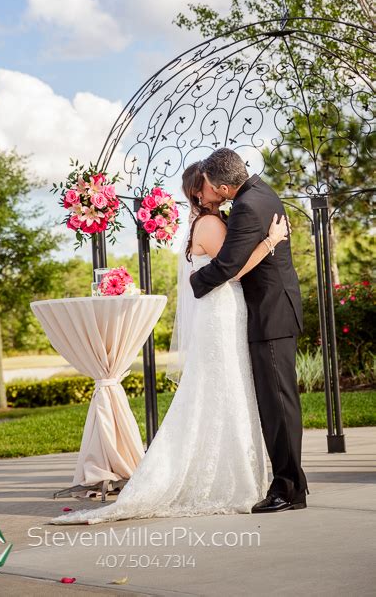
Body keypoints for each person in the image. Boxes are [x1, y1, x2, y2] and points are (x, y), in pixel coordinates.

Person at [49, 160, 290, 526]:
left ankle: (251, 477)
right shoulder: (210, 223)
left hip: (229, 312)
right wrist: (271, 241)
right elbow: (234, 269)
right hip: (224, 312)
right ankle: (232, 478)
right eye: (208, 186)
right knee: (226, 390)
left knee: (229, 390)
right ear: (202, 191)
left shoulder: (217, 218)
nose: (213, 191)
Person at [190, 148, 309, 513]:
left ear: (224, 187)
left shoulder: (246, 205)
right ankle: (293, 486)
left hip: (269, 314)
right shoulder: (262, 192)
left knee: (279, 405)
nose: (203, 191)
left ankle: (287, 489)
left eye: (207, 185)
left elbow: (228, 266)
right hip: (274, 310)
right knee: (279, 403)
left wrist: (195, 281)